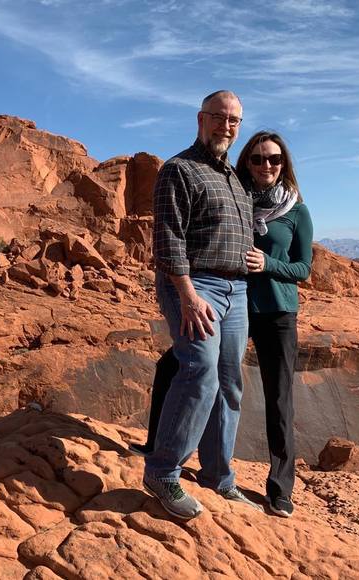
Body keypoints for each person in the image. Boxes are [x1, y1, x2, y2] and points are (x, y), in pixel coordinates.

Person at [132, 130, 313, 519]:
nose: (266, 165)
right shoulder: (237, 193)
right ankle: (160, 456)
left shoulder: (295, 209)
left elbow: (304, 267)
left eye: (274, 159)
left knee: (271, 395)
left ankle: (278, 488)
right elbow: (176, 235)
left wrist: (269, 264)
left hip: (275, 311)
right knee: (186, 367)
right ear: (246, 162)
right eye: (258, 158)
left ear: (284, 164)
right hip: (230, 300)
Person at [142, 90, 254, 520]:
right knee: (199, 371)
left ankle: (218, 476)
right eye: (219, 117)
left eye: (234, 120)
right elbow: (168, 238)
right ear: (201, 119)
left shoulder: (235, 178)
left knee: (229, 382)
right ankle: (162, 472)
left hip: (236, 290)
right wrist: (187, 295)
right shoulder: (180, 169)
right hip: (195, 286)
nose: (226, 126)